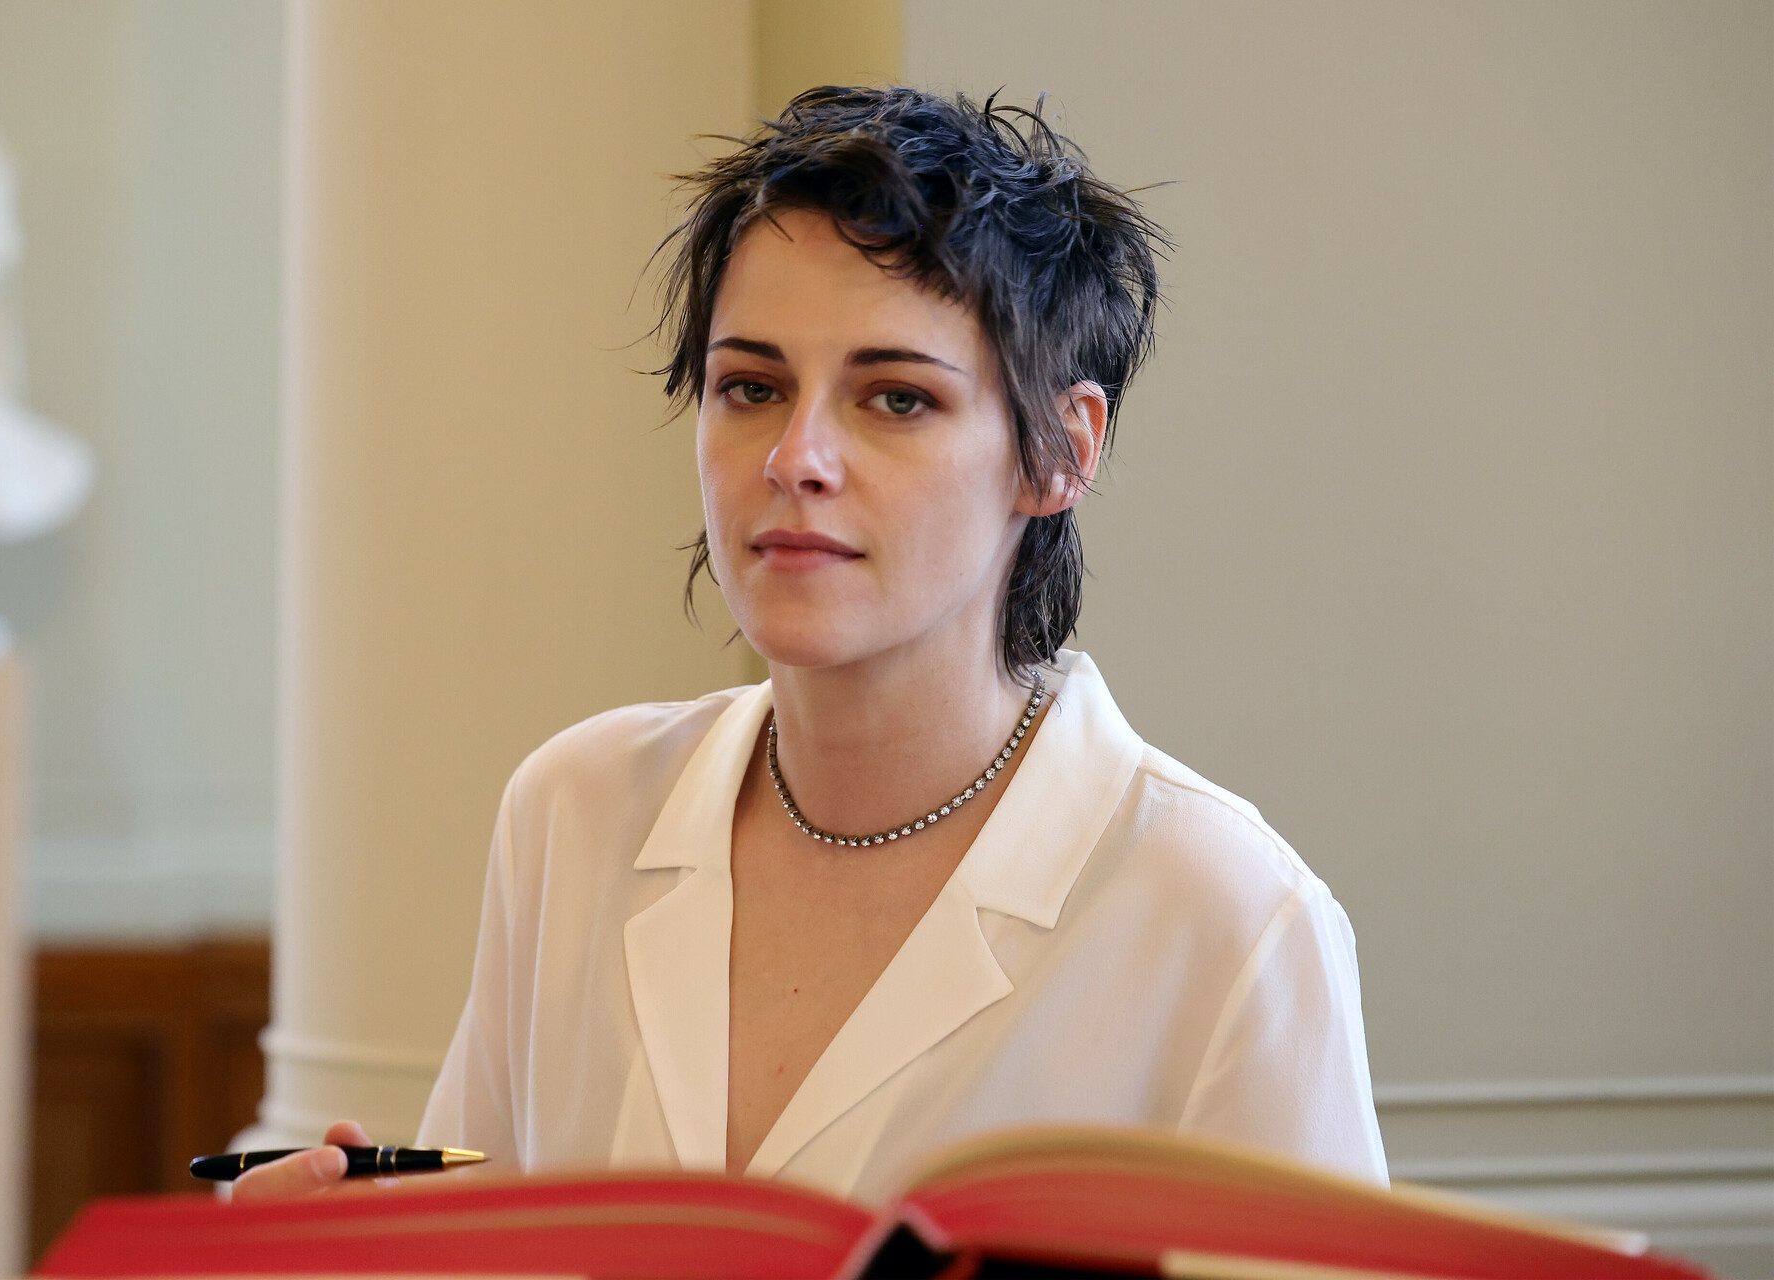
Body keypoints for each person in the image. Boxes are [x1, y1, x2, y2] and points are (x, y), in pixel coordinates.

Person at [237, 85, 1386, 1203]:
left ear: (1060, 449)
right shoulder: (575, 814)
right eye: (751, 386)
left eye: (897, 398)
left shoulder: (1228, 917)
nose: (796, 459)